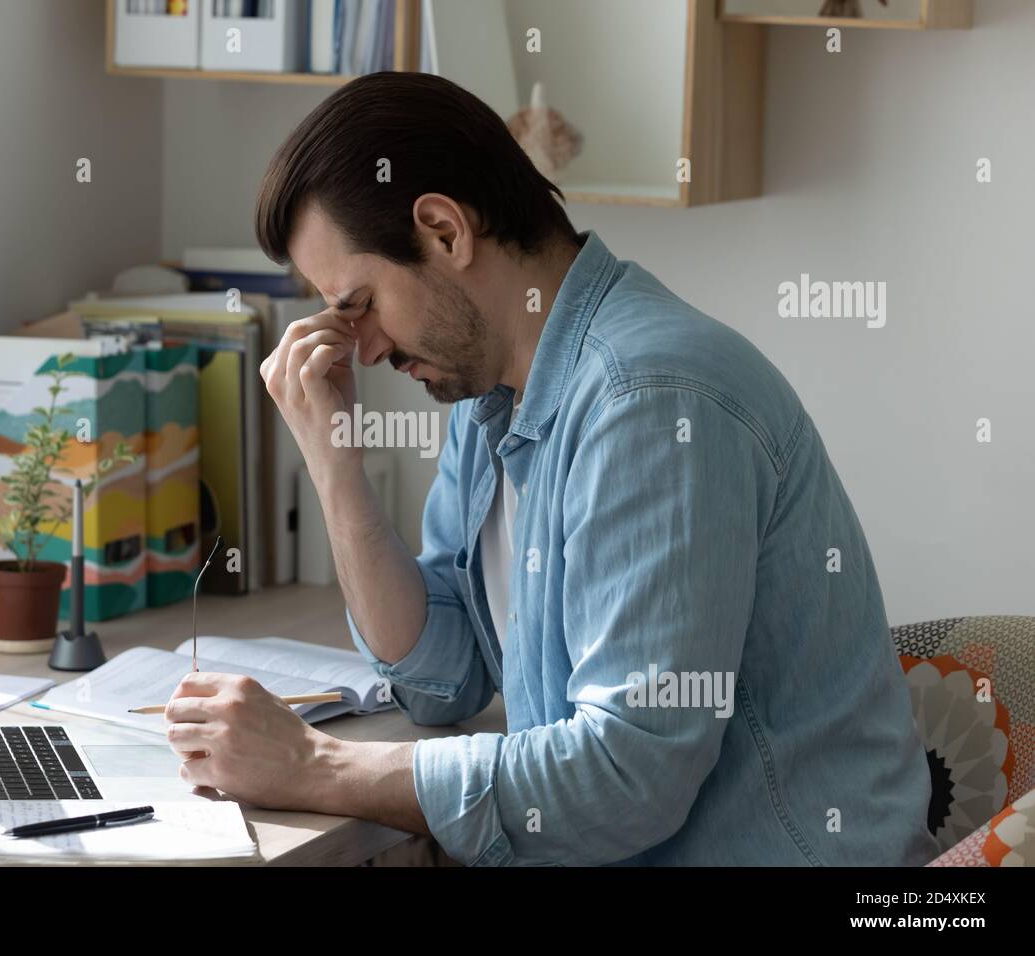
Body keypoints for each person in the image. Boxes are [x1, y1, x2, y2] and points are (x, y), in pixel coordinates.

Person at [165, 72, 937, 866]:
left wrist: (313, 765)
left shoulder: (650, 403)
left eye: (359, 304)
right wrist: (335, 470)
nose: (360, 348)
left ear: (443, 231)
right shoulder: (490, 392)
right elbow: (443, 680)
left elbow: (623, 779)